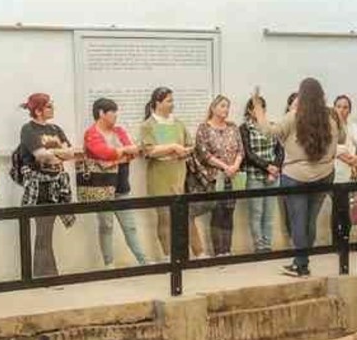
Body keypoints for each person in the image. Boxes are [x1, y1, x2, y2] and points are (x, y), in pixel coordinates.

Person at [250, 77, 345, 278]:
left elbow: (269, 132)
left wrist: (258, 108)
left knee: (298, 221)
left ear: (302, 96)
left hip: (296, 176)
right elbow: (342, 138)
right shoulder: (332, 117)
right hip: (325, 175)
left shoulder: (295, 116)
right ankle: (303, 261)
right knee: (311, 220)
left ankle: (300, 265)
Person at [17, 93, 80, 278]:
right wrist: (56, 154)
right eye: (49, 106)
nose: (53, 109)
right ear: (38, 110)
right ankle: (46, 275)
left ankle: (45, 274)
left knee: (46, 233)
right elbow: (40, 154)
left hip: (57, 185)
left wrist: (55, 153)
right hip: (39, 187)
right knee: (43, 233)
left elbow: (70, 153)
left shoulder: (55, 128)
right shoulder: (28, 129)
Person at [80, 98, 147, 267]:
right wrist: (121, 154)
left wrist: (116, 157)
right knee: (106, 226)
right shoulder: (91, 133)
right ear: (101, 113)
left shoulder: (119, 131)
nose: (116, 115)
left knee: (130, 226)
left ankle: (144, 261)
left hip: (121, 186)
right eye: (113, 112)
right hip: (101, 189)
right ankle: (109, 264)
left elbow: (133, 151)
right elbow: (104, 153)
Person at [139, 87, 202, 259]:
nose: (172, 104)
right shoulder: (148, 125)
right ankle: (169, 256)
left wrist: (183, 151)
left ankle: (199, 253)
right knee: (165, 217)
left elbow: (190, 145)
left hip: (178, 176)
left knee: (185, 216)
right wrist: (173, 148)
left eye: (172, 100)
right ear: (157, 103)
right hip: (159, 178)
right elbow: (149, 150)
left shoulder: (178, 123)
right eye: (168, 101)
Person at [193, 95, 243, 256]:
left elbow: (240, 150)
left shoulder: (233, 127)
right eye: (222, 106)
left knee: (229, 212)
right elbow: (204, 153)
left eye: (227, 106)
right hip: (214, 177)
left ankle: (228, 251)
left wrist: (234, 166)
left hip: (232, 176)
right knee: (217, 213)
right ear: (213, 108)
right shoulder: (204, 128)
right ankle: (219, 252)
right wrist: (224, 166)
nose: (226, 110)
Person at [240, 95, 284, 253]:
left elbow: (280, 150)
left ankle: (267, 245)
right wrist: (267, 167)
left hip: (273, 176)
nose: (261, 111)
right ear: (250, 111)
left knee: (269, 214)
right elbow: (248, 153)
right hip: (255, 176)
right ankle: (259, 247)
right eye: (257, 108)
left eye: (263, 107)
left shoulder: (271, 126)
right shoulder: (244, 128)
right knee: (256, 213)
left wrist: (276, 167)